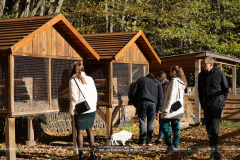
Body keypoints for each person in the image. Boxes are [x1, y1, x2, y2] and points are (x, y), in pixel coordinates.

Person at [198, 56, 228, 160]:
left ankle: (213, 153)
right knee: (209, 129)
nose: (203, 65)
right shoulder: (201, 75)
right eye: (202, 63)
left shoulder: (219, 74)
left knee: (215, 129)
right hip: (206, 106)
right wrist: (202, 103)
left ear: (211, 64)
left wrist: (222, 101)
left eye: (204, 64)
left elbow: (225, 89)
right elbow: (200, 91)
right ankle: (215, 152)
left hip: (217, 106)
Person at [69, 62, 98, 160]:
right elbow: (95, 93)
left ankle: (81, 155)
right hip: (91, 108)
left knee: (80, 132)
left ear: (74, 70)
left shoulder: (73, 81)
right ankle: (93, 154)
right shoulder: (90, 79)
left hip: (81, 109)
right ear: (83, 69)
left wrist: (72, 111)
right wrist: (93, 105)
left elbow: (74, 98)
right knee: (90, 130)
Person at [160, 65, 187, 154]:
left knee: (163, 125)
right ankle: (175, 145)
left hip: (171, 108)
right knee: (176, 127)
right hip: (178, 108)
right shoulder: (182, 82)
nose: (169, 72)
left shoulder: (174, 81)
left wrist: (166, 109)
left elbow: (171, 96)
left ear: (174, 72)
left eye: (170, 71)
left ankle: (170, 144)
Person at [132, 74, 164, 146]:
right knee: (150, 123)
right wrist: (159, 109)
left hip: (142, 102)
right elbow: (161, 97)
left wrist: (135, 104)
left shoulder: (140, 80)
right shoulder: (157, 82)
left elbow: (134, 92)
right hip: (153, 104)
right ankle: (149, 141)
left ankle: (142, 140)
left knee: (142, 122)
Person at [155, 71, 171, 145]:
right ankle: (168, 138)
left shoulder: (164, 86)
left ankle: (160, 139)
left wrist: (159, 108)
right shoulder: (169, 84)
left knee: (162, 123)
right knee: (167, 123)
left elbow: (162, 98)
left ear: (159, 77)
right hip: (169, 107)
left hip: (164, 107)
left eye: (157, 77)